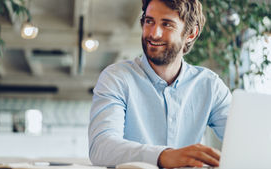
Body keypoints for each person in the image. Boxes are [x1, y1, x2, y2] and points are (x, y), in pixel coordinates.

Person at [88, 0, 232, 168]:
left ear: (191, 34)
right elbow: (101, 147)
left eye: (167, 24)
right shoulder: (117, 78)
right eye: (149, 21)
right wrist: (164, 156)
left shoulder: (210, 86)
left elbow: (244, 139)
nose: (154, 33)